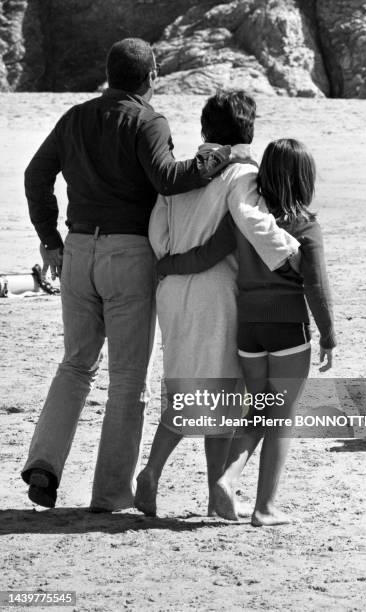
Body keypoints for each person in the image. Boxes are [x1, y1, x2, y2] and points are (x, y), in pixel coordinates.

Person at [21, 38, 234, 511]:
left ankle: (44, 464)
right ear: (152, 77)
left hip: (76, 251)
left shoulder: (76, 116)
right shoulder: (148, 120)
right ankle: (111, 493)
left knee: (75, 364)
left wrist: (50, 239)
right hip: (129, 254)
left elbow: (36, 175)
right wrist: (218, 158)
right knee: (127, 380)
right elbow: (167, 179)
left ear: (109, 74)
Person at [134, 92, 300, 517]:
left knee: (185, 387)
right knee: (229, 392)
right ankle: (216, 493)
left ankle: (163, 474)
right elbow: (253, 221)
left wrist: (171, 262)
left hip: (172, 287)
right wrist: (295, 253)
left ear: (206, 129)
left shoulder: (180, 175)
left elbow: (158, 231)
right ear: (249, 131)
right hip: (217, 291)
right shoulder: (241, 172)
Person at [156, 138, 337, 525]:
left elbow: (206, 254)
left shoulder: (243, 220)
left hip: (248, 332)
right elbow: (316, 285)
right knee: (281, 418)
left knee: (257, 412)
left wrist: (167, 266)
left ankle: (228, 478)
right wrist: (329, 335)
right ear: (305, 179)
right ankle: (264, 507)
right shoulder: (306, 225)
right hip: (287, 329)